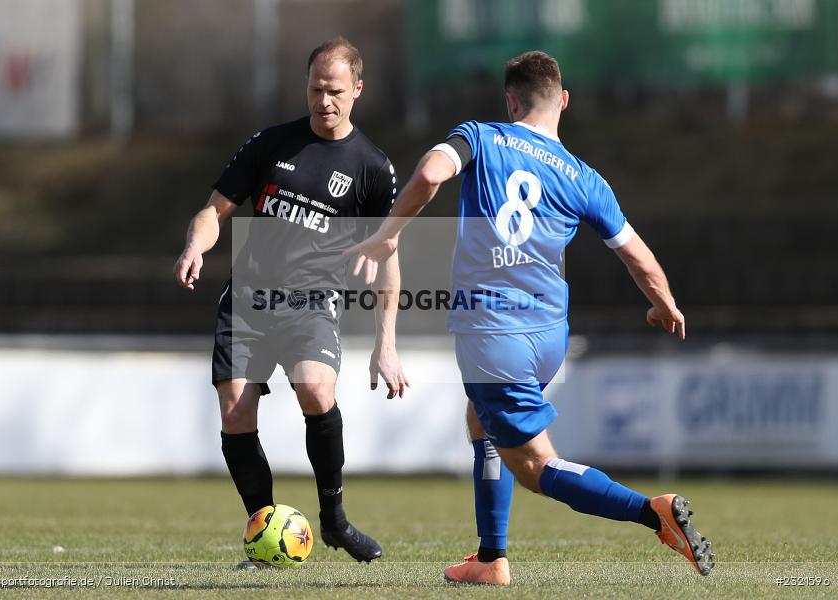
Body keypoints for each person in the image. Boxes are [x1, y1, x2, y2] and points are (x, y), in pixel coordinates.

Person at [346, 51, 714, 584]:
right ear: (562, 101)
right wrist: (663, 303)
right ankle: (490, 559)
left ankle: (650, 513)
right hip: (548, 335)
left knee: (537, 467)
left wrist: (390, 232)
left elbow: (429, 172)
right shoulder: (586, 178)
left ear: (510, 100)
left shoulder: (481, 136)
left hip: (493, 332)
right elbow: (638, 256)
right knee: (482, 419)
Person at [174, 37, 408, 565]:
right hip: (250, 299)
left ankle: (334, 521)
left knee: (315, 388)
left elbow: (387, 257)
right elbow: (213, 212)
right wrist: (195, 244)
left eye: (336, 92)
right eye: (316, 89)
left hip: (313, 301)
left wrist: (386, 344)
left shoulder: (373, 168)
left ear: (358, 90)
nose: (324, 101)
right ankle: (264, 530)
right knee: (235, 414)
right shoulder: (269, 144)